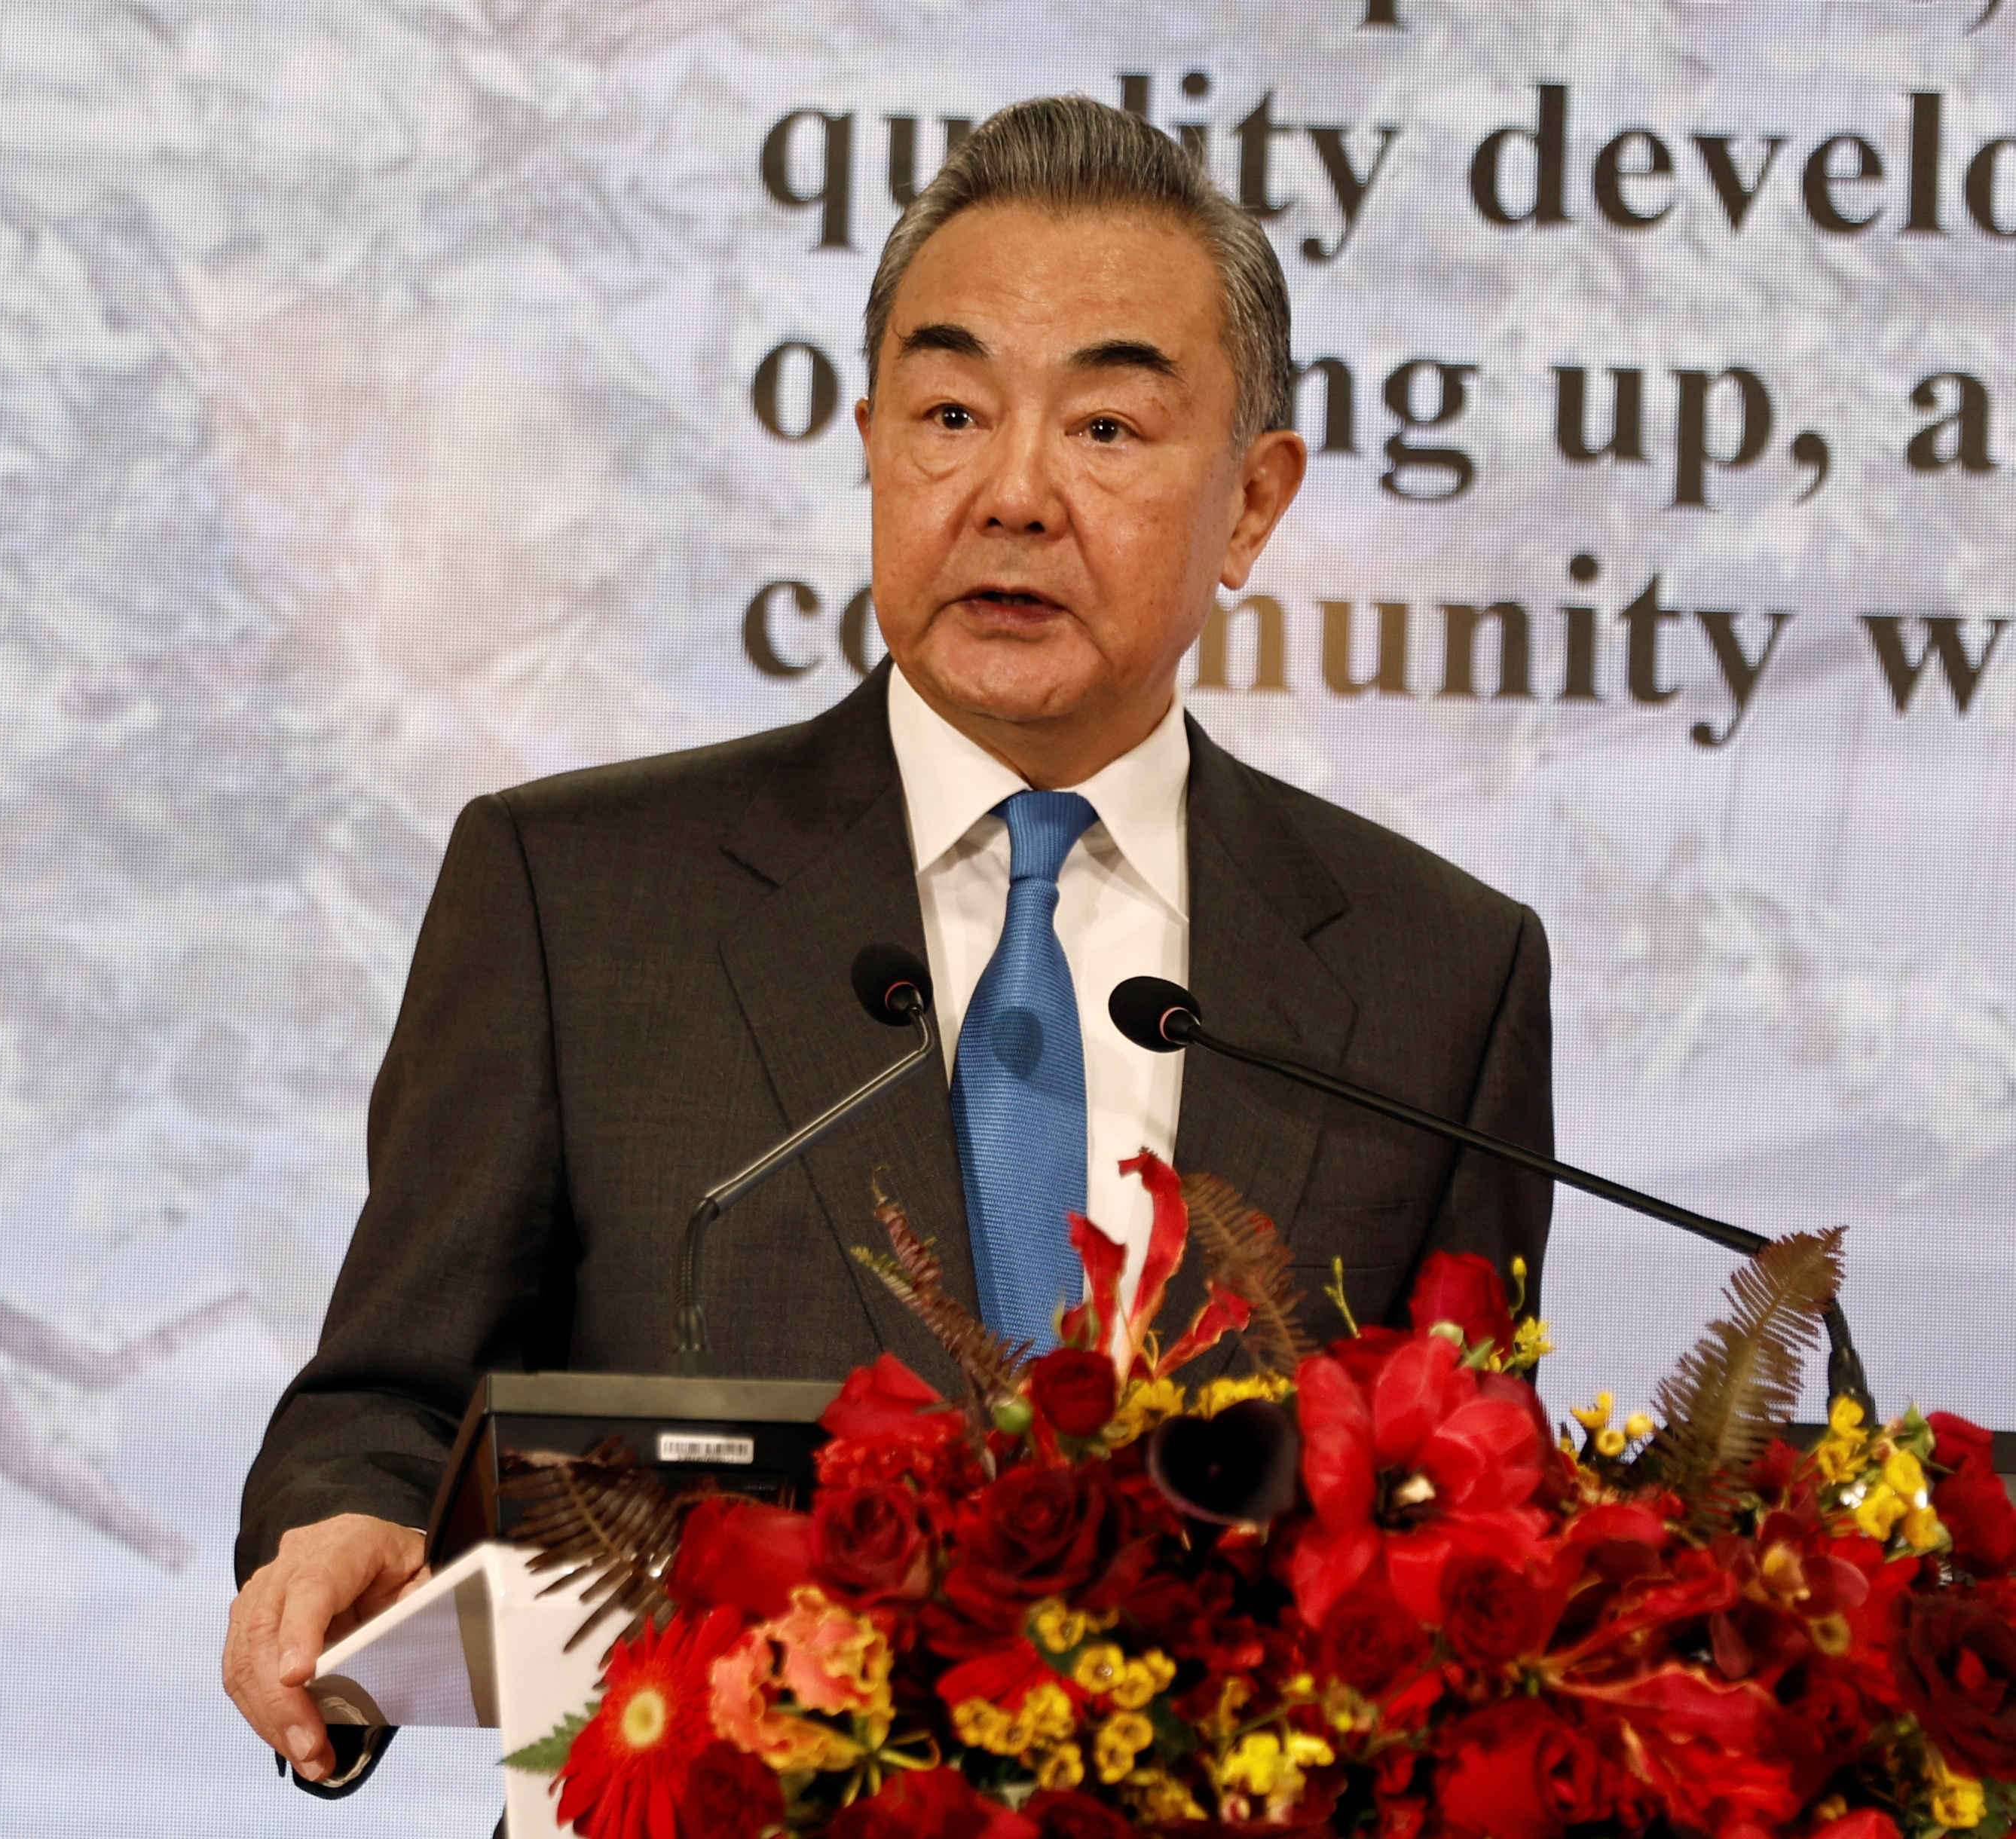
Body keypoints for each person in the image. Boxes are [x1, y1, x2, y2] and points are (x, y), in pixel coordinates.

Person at [222, 93, 1553, 1782]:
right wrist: (340, 1525)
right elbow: (389, 1394)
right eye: (948, 410)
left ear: (1253, 506)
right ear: (869, 443)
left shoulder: (1442, 976)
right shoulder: (574, 891)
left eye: (1111, 432)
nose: (1011, 492)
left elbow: (1475, 1508)